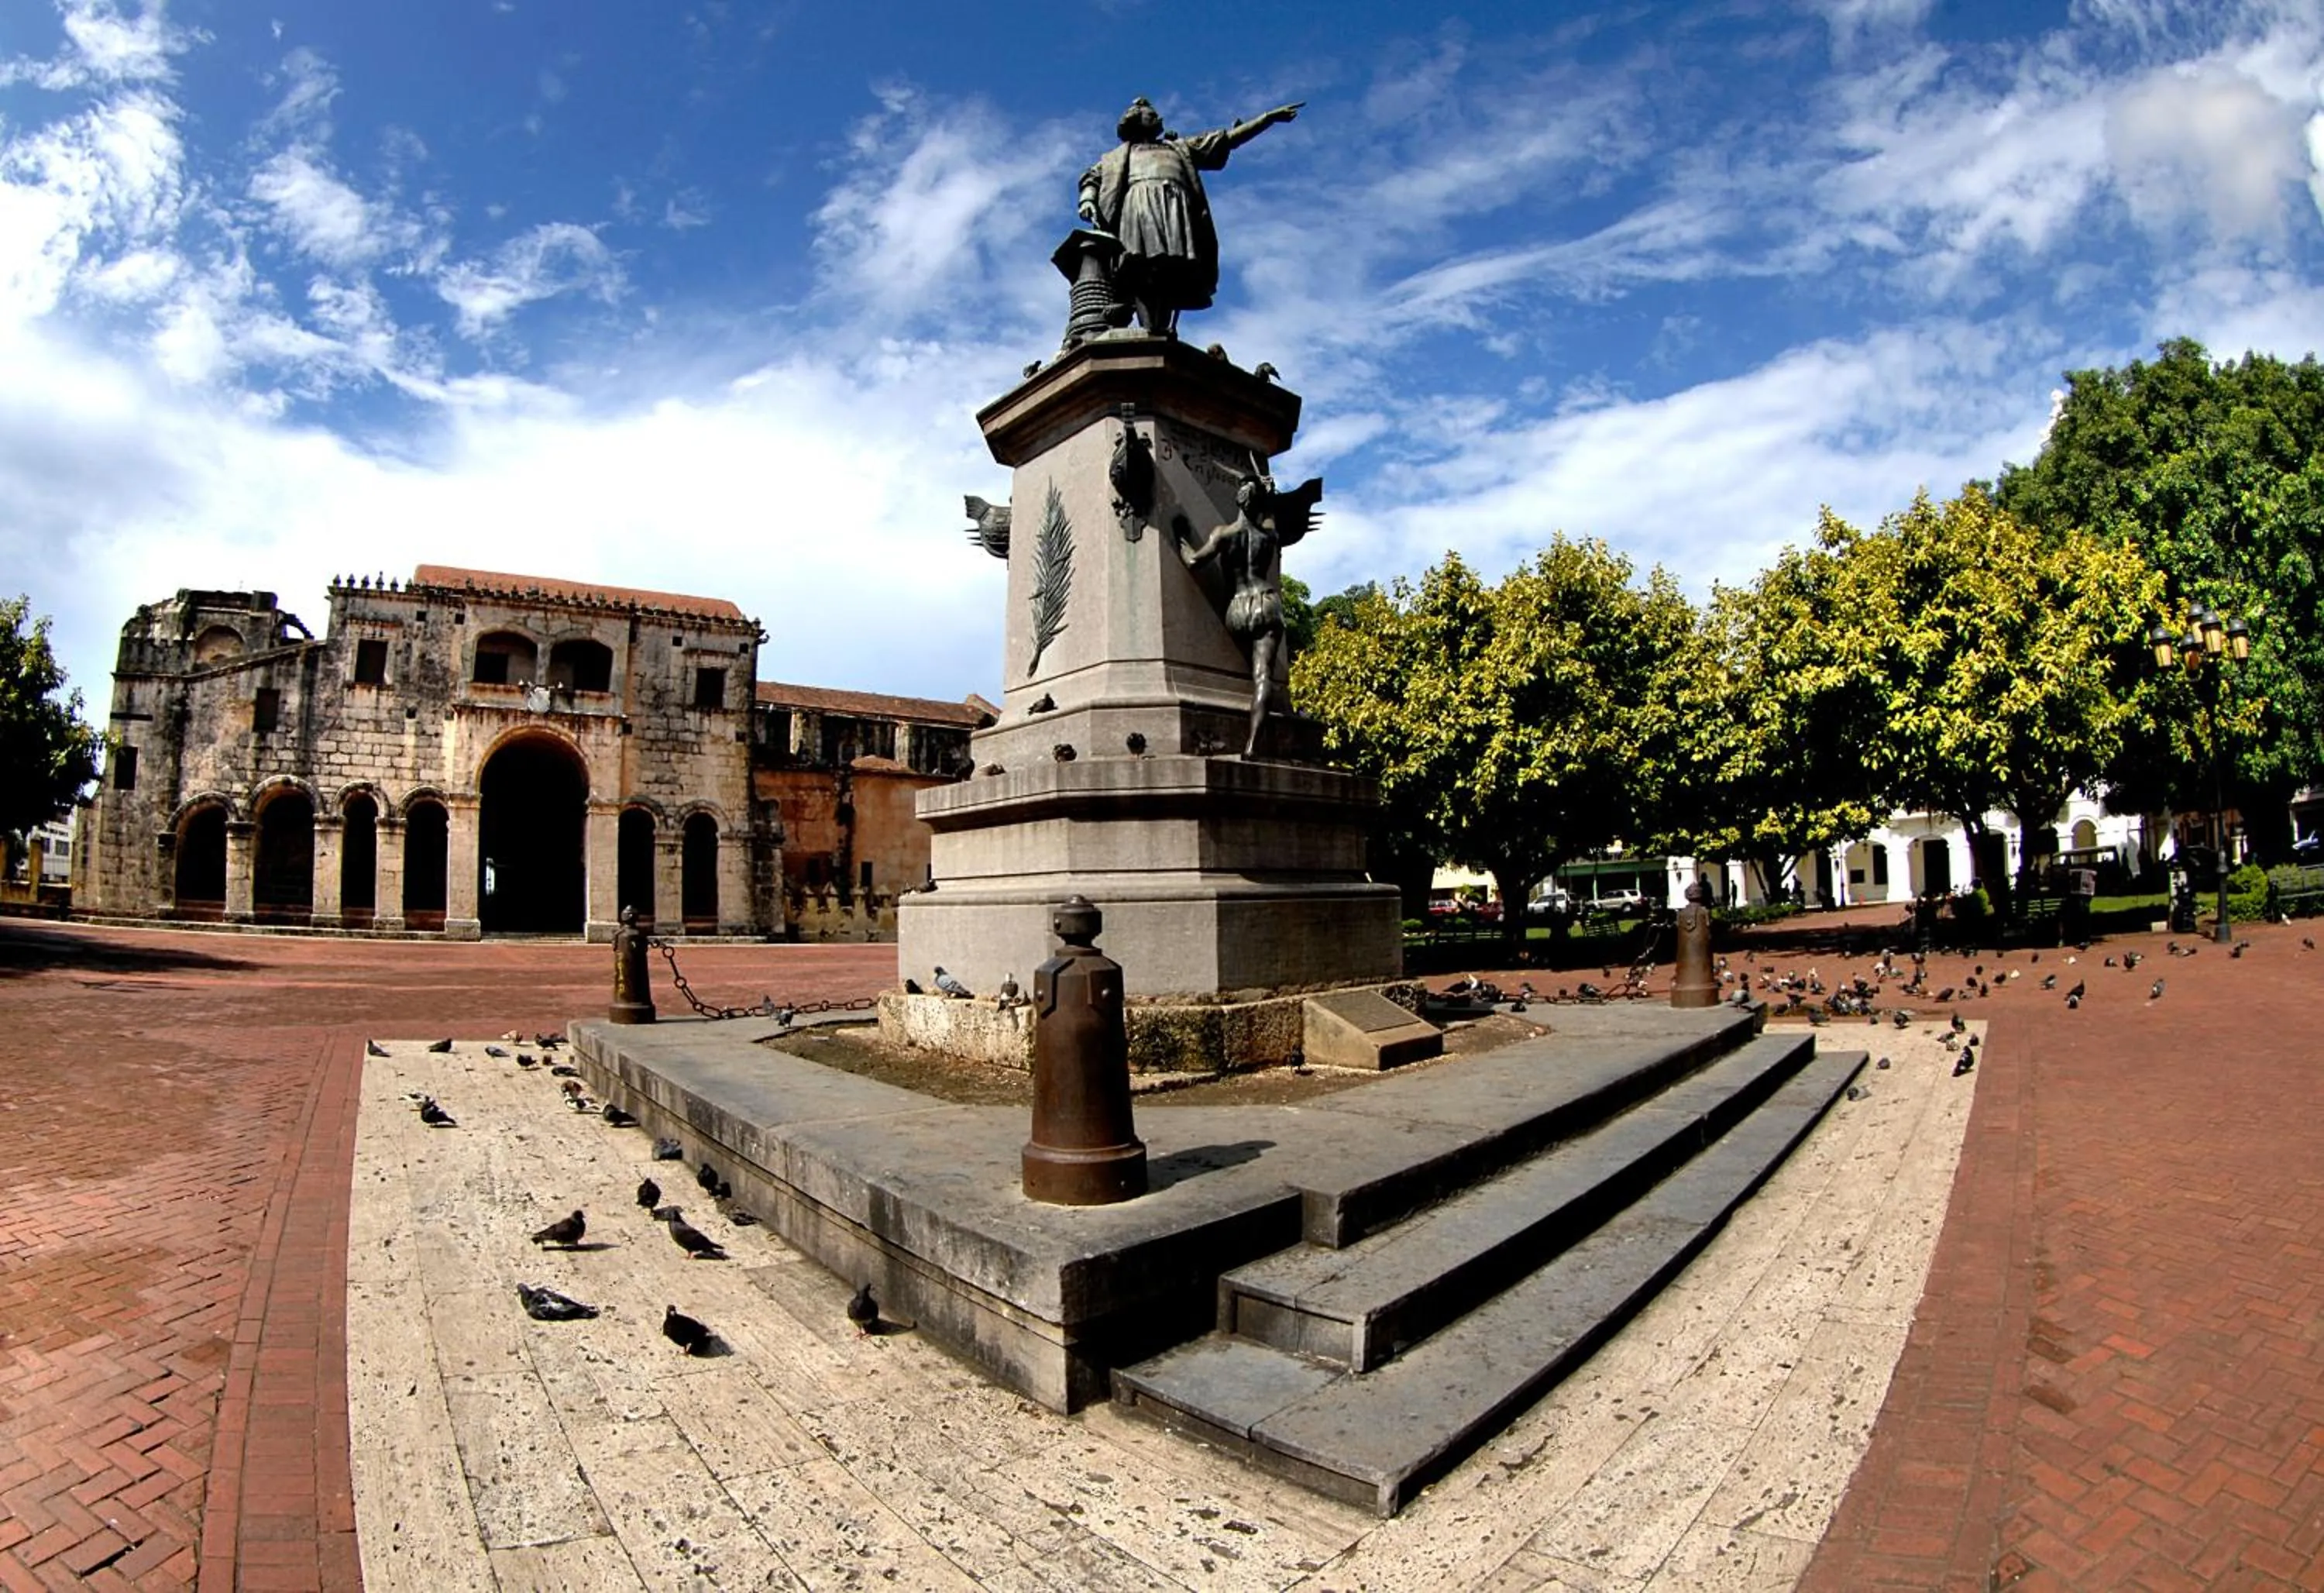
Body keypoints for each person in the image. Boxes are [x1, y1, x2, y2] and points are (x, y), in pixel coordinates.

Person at [1078, 96, 1301, 336]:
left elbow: (1226, 140)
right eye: (1151, 115)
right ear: (1135, 121)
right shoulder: (1117, 156)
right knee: (1141, 264)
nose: (1159, 118)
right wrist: (1087, 199)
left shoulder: (1179, 148)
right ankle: (1150, 328)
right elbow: (1092, 178)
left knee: (1172, 267)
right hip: (1139, 206)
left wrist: (1267, 119)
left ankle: (1160, 329)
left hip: (1175, 209)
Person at [1176, 471, 1322, 756]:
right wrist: (1268, 494)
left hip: (1237, 608)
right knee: (1263, 675)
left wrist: (1181, 538)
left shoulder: (1223, 534)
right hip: (1266, 604)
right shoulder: (1269, 536)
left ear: (1238, 501)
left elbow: (1193, 561)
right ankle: (1253, 743)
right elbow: (1270, 517)